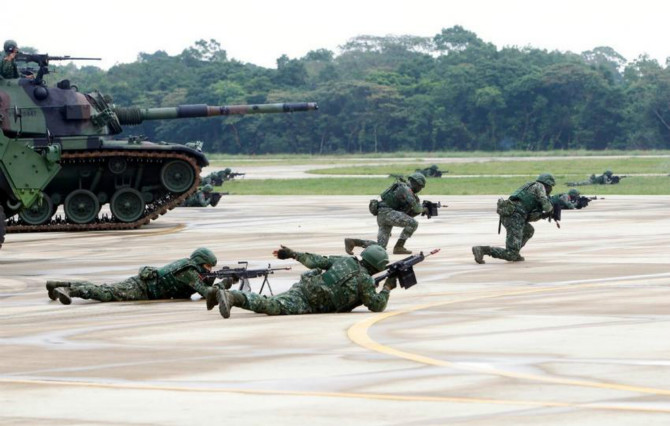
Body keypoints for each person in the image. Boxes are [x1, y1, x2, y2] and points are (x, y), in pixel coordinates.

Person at [206, 244, 396, 319]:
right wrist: (387, 287)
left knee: (273, 302)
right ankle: (231, 297)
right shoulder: (365, 280)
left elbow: (316, 261)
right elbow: (376, 305)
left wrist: (292, 254)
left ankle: (221, 294)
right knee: (272, 306)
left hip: (305, 288)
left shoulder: (346, 260)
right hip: (308, 301)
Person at [46, 248, 234, 304]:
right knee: (105, 293)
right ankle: (68, 289)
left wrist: (217, 279)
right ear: (200, 262)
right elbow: (206, 293)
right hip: (141, 288)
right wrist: (224, 284)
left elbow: (201, 292)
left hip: (147, 289)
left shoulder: (193, 269)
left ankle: (59, 283)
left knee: (105, 288)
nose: (209, 271)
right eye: (208, 267)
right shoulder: (189, 271)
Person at [472, 173, 555, 264]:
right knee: (511, 254)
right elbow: (545, 204)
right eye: (551, 187)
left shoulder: (531, 187)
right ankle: (483, 250)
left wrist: (543, 215)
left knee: (528, 230)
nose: (551, 190)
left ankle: (514, 252)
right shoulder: (539, 186)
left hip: (512, 215)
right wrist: (550, 209)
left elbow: (528, 217)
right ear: (547, 184)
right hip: (514, 216)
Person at [345, 172, 428, 255]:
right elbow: (417, 208)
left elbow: (408, 213)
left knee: (380, 247)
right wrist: (424, 209)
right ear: (416, 183)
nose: (420, 189)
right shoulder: (405, 189)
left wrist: (420, 210)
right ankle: (399, 247)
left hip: (382, 215)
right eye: (420, 186)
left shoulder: (402, 188)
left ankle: (353, 242)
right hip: (388, 213)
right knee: (413, 223)